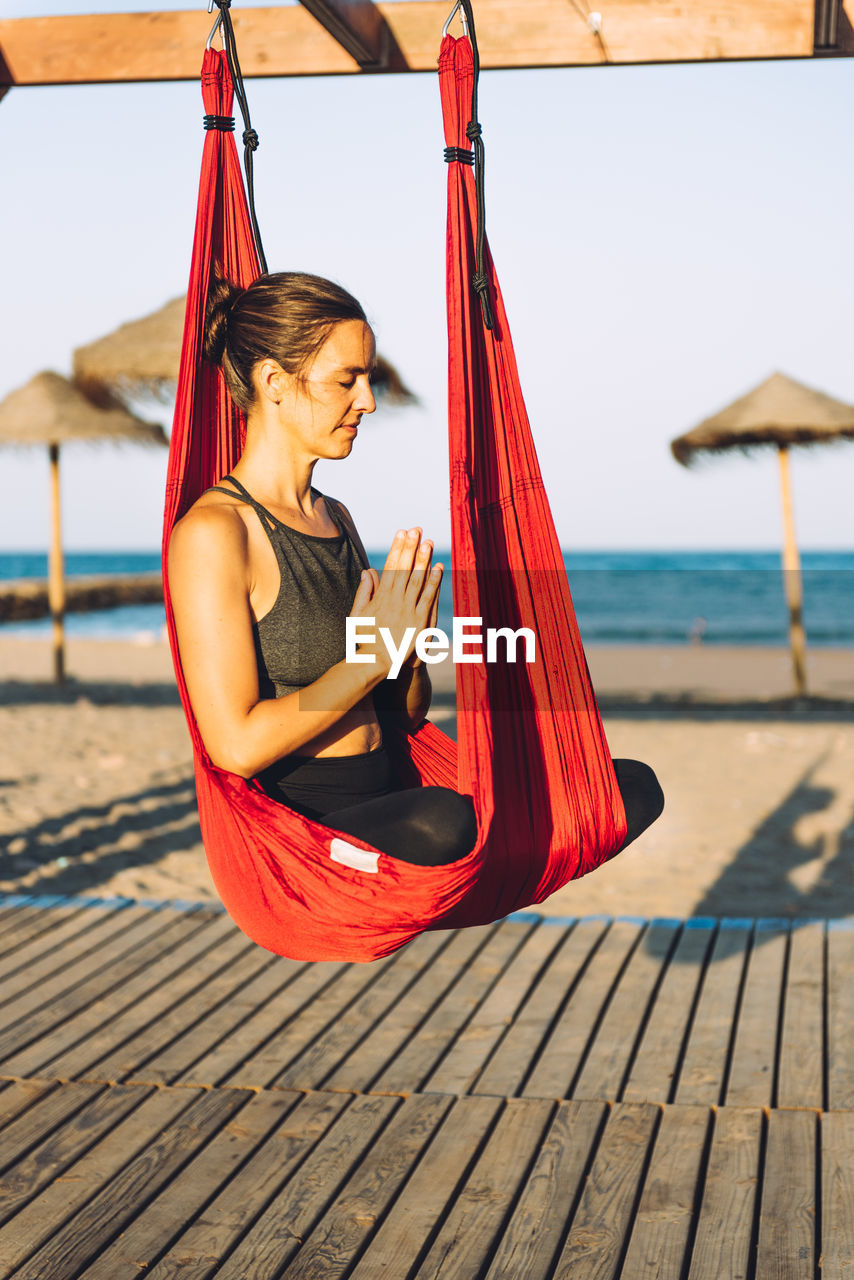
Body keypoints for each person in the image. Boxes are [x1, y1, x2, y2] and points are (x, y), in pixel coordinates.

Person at [168, 270, 662, 868]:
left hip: (392, 799)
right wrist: (371, 657)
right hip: (309, 837)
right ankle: (468, 857)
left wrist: (409, 646)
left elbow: (404, 714)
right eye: (346, 379)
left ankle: (484, 863)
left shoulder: (335, 517)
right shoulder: (216, 533)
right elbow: (236, 745)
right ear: (273, 380)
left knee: (623, 789)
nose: (367, 400)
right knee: (440, 821)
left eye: (367, 377)